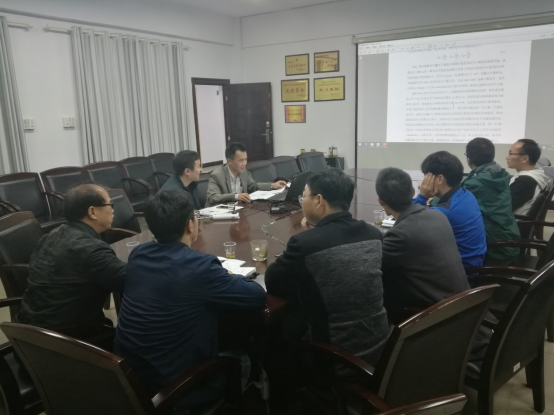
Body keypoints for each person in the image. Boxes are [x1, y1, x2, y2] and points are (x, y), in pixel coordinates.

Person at [114, 189, 266, 404]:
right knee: (242, 356)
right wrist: (226, 275)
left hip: (132, 380)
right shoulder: (200, 267)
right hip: (176, 390)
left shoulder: (138, 254)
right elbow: (257, 296)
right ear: (190, 225)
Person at [265, 169, 391, 367]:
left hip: (339, 359)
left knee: (274, 343)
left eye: (304, 196)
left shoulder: (304, 244)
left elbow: (273, 282)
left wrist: (310, 236)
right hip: (381, 349)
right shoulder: (373, 234)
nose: (302, 201)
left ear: (319, 200)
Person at [17, 184, 126, 329]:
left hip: (28, 330)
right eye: (109, 204)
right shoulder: (92, 249)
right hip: (68, 337)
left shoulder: (50, 235)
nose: (112, 209)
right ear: (92, 212)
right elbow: (131, 281)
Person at [376, 168, 470, 323]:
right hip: (465, 307)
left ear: (381, 201)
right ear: (413, 192)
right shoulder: (438, 215)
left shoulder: (400, 234)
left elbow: (374, 266)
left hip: (441, 318)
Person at [414, 151, 487, 268]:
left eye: (426, 176)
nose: (423, 182)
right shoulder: (465, 193)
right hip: (473, 262)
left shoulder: (445, 211)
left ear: (439, 179)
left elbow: (409, 222)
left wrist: (422, 196)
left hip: (460, 271)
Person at [462, 138, 520, 264]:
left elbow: (450, 203)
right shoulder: (501, 175)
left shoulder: (474, 184)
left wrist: (431, 200)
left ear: (469, 159)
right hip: (510, 239)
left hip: (495, 248)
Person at [206, 142, 286, 206]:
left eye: (245, 159)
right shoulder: (217, 175)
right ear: (229, 161)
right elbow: (212, 197)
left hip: (238, 210)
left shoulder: (243, 172)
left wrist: (272, 185)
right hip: (218, 215)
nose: (244, 163)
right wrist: (236, 196)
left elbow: (253, 186)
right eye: (241, 160)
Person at [506, 138, 550, 216]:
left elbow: (503, 207)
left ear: (524, 158)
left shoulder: (525, 182)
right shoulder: (535, 174)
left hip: (512, 222)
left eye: (511, 153)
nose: (507, 157)